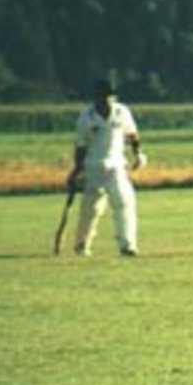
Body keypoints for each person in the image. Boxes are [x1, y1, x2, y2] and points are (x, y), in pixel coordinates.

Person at [67, 79, 146, 257]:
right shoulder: (86, 117)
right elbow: (81, 147)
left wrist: (138, 154)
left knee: (124, 201)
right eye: (102, 98)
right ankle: (82, 245)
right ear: (95, 98)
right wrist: (76, 171)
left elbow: (132, 135)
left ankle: (127, 245)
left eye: (109, 97)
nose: (106, 101)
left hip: (116, 164)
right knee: (91, 209)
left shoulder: (122, 112)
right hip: (93, 166)